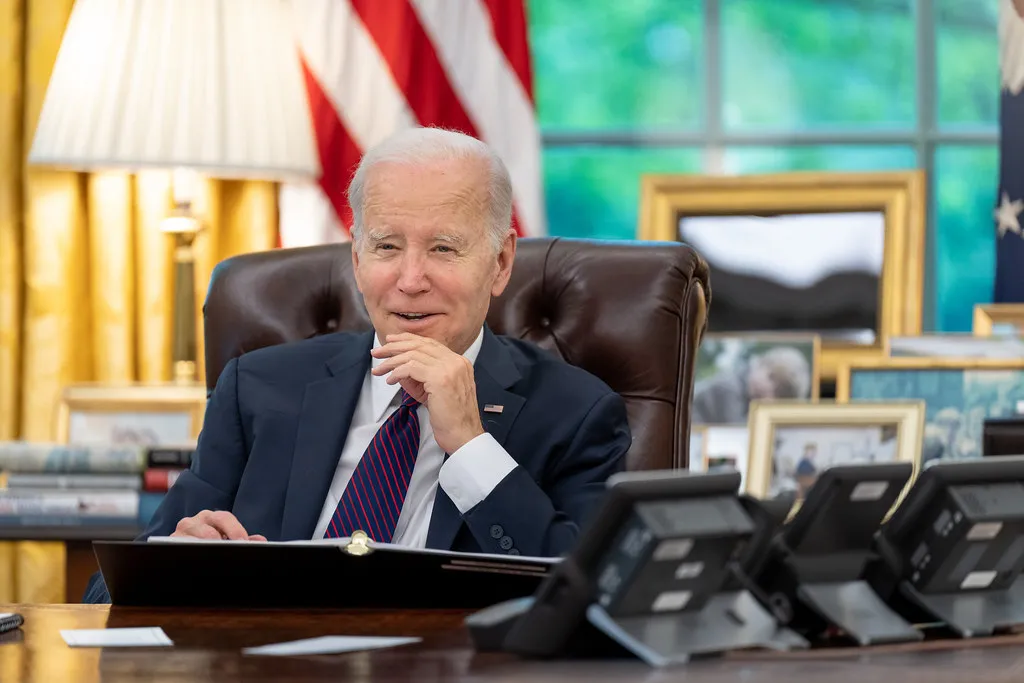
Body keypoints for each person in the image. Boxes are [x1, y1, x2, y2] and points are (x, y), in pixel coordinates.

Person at [83, 127, 631, 603]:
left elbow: (589, 597)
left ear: (501, 262)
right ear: (356, 256)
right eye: (387, 247)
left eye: (443, 249)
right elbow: (109, 590)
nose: (411, 279)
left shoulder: (576, 413)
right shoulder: (259, 387)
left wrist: (470, 445)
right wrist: (174, 565)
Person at [691, 345, 811, 424]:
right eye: (771, 377)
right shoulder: (729, 388)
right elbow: (737, 435)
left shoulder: (747, 398)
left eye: (777, 392)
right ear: (759, 363)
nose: (768, 388)